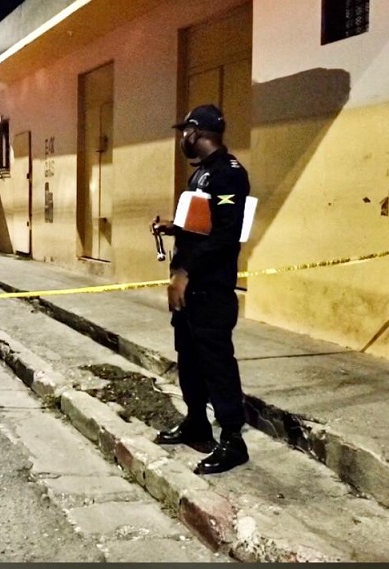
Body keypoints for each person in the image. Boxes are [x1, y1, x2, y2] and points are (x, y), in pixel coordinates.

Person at [151, 104, 250, 475]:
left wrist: (185, 272)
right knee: (189, 357)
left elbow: (226, 235)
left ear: (195, 131)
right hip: (190, 287)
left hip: (209, 286)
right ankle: (196, 422)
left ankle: (232, 441)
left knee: (217, 362)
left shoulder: (228, 175)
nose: (181, 139)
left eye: (184, 132)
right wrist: (172, 228)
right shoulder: (204, 174)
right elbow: (201, 224)